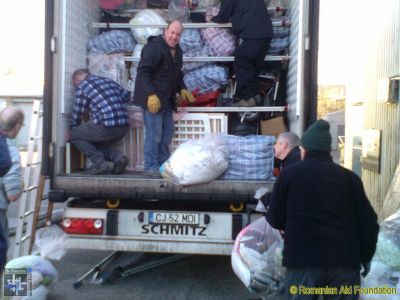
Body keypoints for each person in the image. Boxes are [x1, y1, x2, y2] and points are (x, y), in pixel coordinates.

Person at [266, 119, 379, 300]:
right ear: (328, 151)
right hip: (343, 264)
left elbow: (274, 219)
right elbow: (369, 223)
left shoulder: (288, 176)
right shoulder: (350, 179)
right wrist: (365, 257)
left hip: (302, 264)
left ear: (304, 150)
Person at [133, 20, 195, 177]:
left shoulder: (177, 51)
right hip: (153, 99)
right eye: (172, 32)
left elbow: (176, 74)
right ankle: (150, 167)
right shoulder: (153, 48)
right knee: (154, 134)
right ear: (165, 31)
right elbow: (143, 72)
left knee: (167, 132)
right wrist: (151, 95)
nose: (174, 37)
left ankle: (163, 164)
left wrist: (182, 89)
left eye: (178, 34)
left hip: (167, 99)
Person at [211, 0, 273, 107]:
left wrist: (212, 19)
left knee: (242, 62)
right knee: (252, 65)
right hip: (265, 33)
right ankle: (255, 95)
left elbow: (223, 16)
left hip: (251, 33)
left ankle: (247, 98)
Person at [70, 69, 130, 175]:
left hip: (106, 125)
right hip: (124, 126)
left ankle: (100, 164)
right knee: (93, 144)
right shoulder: (108, 81)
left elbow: (77, 113)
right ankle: (119, 158)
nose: (75, 86)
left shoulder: (83, 87)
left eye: (74, 84)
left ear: (77, 78)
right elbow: (127, 96)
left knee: (75, 135)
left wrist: (73, 128)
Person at [0, 107, 24, 272]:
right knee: (2, 248)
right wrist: (21, 185)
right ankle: (13, 293)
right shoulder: (10, 151)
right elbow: (13, 195)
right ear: (17, 126)